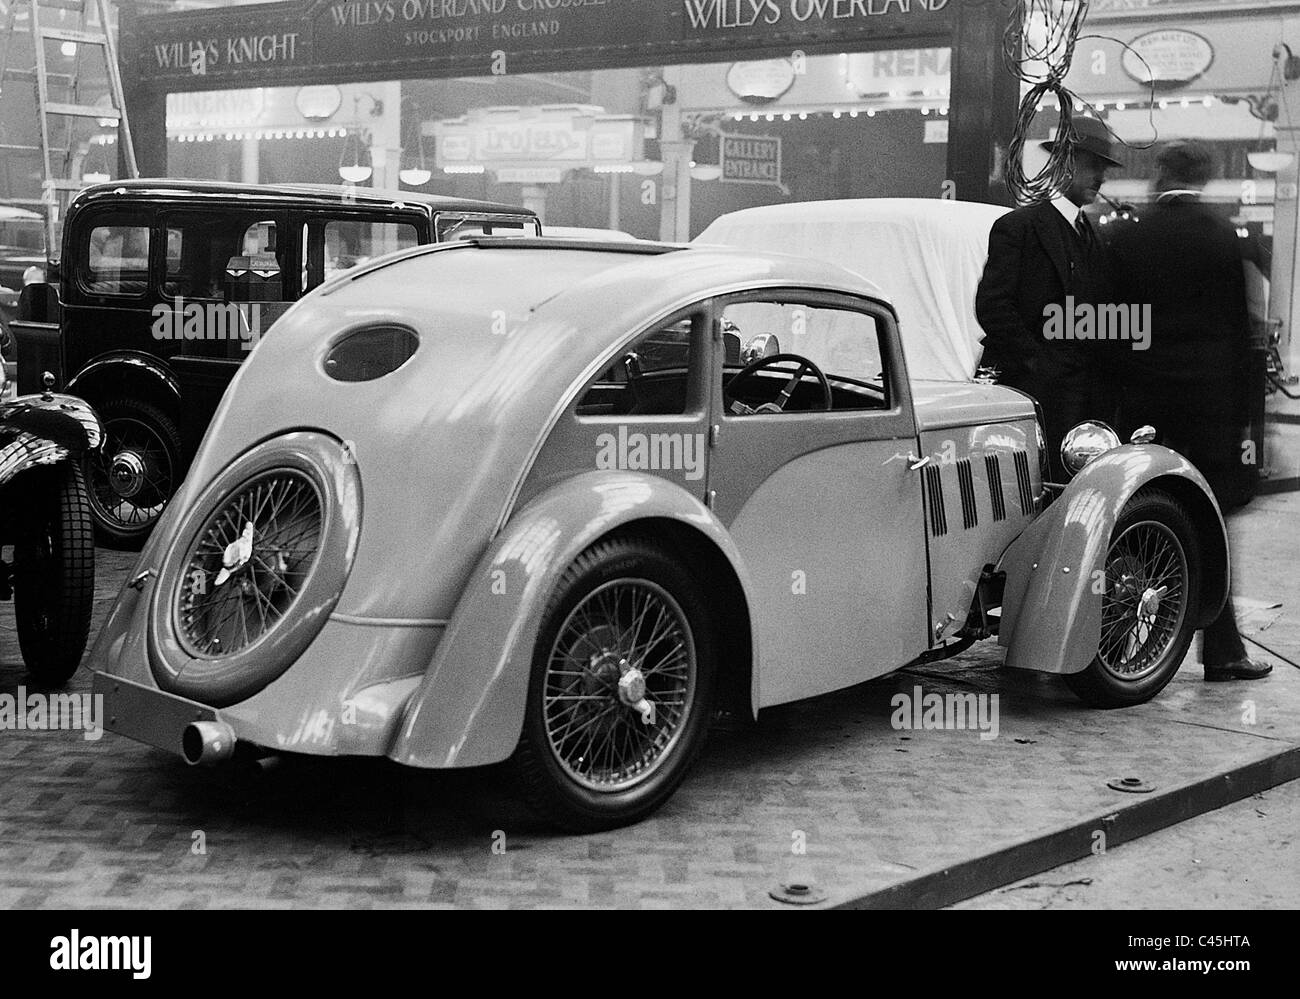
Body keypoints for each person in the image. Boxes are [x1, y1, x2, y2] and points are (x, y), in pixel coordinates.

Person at [1107, 140, 1271, 682]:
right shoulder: (1222, 236)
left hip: (1144, 402)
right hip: (1208, 407)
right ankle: (1222, 651)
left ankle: (1123, 639)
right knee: (1212, 522)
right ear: (1203, 178)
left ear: (1161, 174)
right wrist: (1247, 413)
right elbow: (1241, 329)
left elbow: (1113, 324)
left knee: (1139, 515)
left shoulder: (1128, 237)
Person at [975, 115, 1122, 480]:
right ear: (1064, 163)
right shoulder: (1020, 227)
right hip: (1036, 394)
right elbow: (993, 306)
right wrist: (1037, 363)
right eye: (1092, 166)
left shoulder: (1093, 235)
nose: (1100, 177)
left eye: (1103, 168)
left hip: (1085, 399)